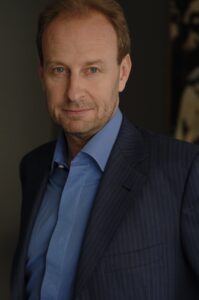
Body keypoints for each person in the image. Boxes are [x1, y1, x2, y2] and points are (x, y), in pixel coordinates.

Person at [11, 0, 199, 299]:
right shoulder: (33, 168)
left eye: (92, 69)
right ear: (42, 75)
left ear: (122, 73)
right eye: (59, 69)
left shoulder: (185, 170)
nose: (74, 92)